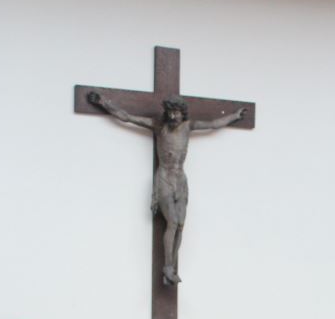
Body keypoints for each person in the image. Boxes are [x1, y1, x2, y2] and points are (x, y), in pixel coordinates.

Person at [86, 91, 247, 286]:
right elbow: (127, 117)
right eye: (170, 112)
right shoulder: (159, 126)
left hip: (180, 180)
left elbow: (213, 124)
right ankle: (168, 267)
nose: (172, 116)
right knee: (171, 222)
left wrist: (235, 116)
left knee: (180, 225)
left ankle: (171, 267)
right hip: (164, 178)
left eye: (176, 113)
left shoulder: (188, 127)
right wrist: (104, 102)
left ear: (183, 114)